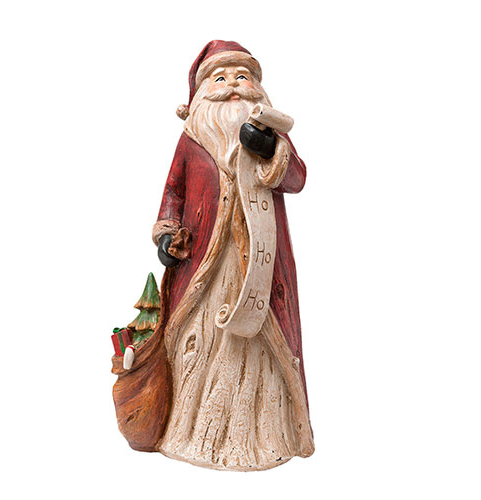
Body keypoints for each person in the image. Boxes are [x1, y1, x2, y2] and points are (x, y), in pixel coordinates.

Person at [153, 40, 314, 470]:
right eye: (219, 78)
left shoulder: (271, 136)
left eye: (242, 76)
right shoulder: (191, 140)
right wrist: (166, 235)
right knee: (197, 341)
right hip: (203, 264)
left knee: (263, 347)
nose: (232, 86)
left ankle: (266, 432)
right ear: (201, 92)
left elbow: (297, 179)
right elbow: (173, 192)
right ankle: (190, 428)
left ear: (257, 87)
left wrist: (271, 151)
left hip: (261, 265)